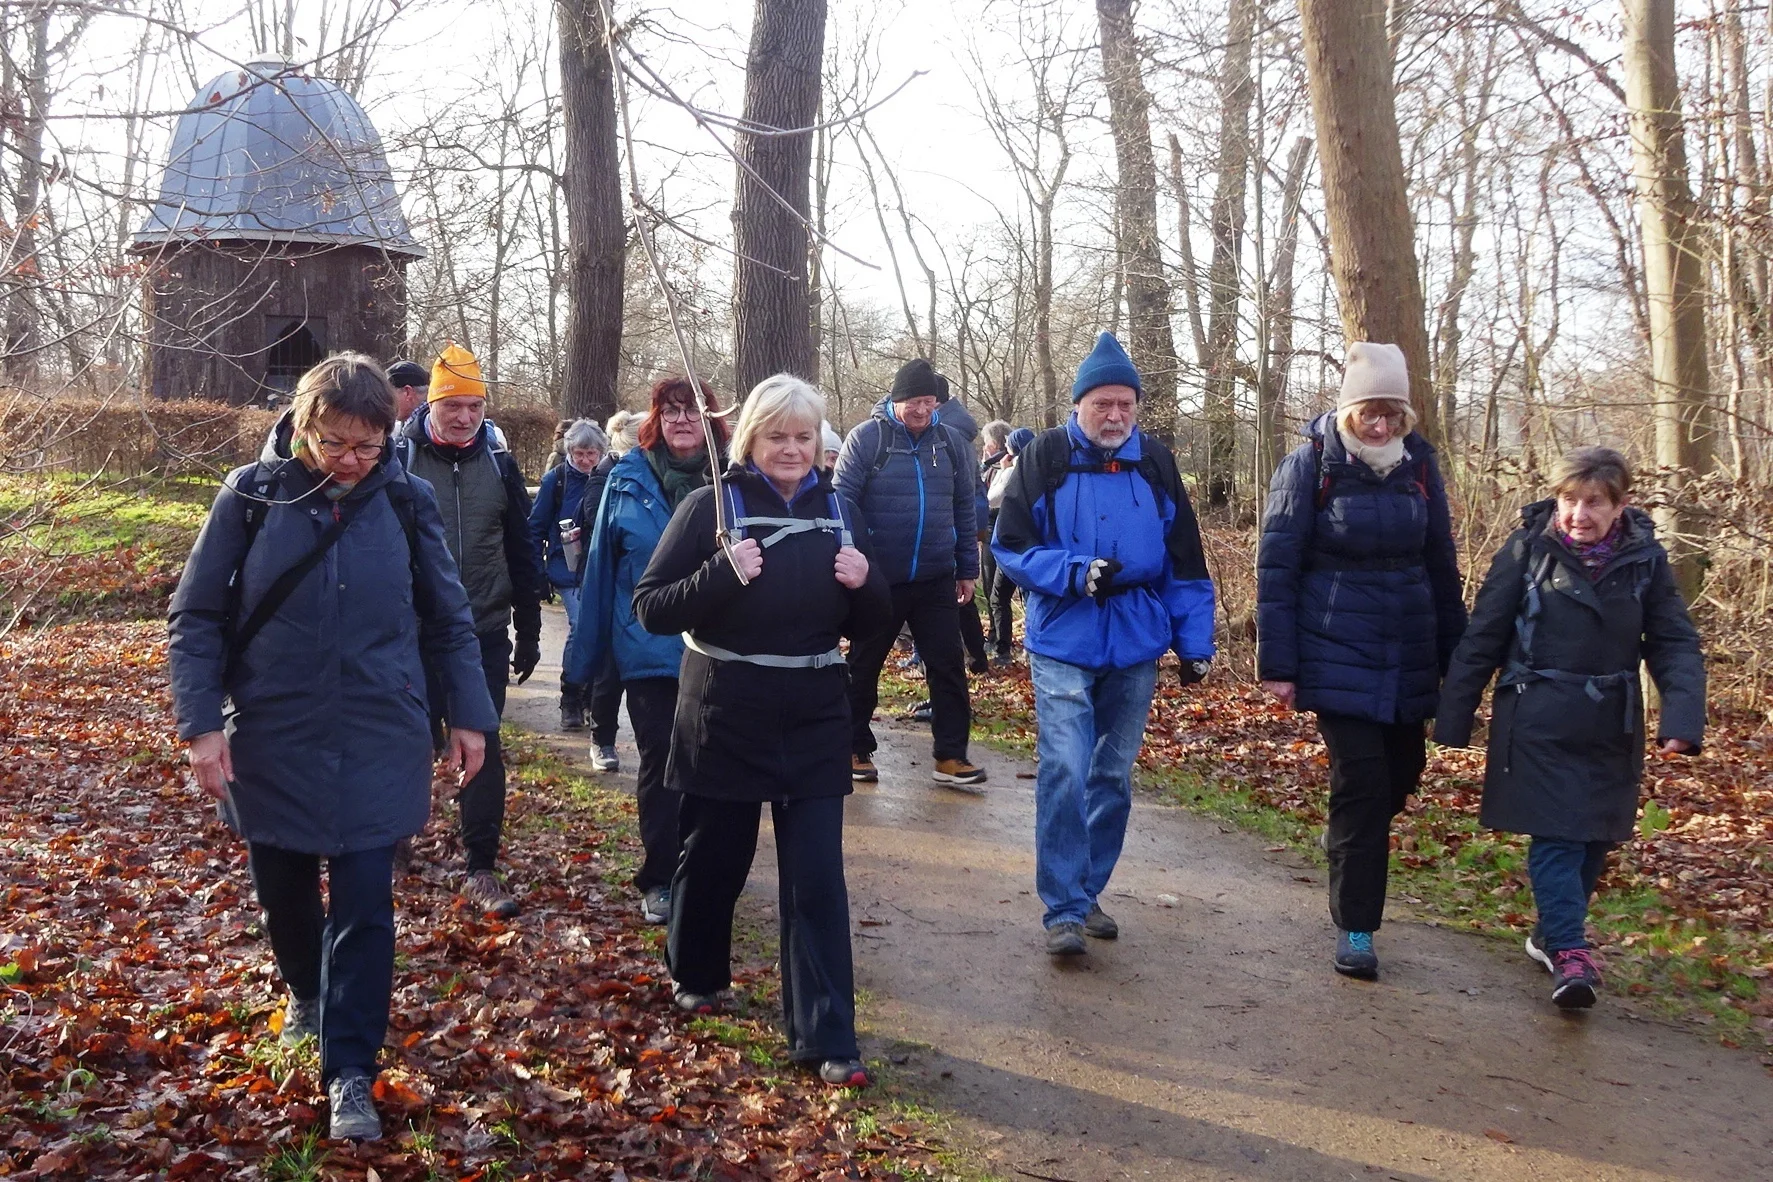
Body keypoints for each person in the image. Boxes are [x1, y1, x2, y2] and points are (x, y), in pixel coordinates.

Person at [168, 354, 498, 1142]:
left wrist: (469, 715)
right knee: (283, 888)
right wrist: (201, 726)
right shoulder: (251, 497)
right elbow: (197, 616)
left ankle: (349, 1067)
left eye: (367, 446)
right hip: (274, 732)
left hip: (382, 730)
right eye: (335, 444)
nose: (350, 461)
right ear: (303, 426)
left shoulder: (407, 501)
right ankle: (306, 994)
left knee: (364, 903)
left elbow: (449, 619)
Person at [633, 373, 890, 1087]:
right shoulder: (709, 506)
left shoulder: (841, 511)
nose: (791, 448)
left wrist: (864, 582)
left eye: (803, 436)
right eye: (777, 435)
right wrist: (721, 572)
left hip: (811, 707)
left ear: (819, 442)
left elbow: (872, 626)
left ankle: (826, 1035)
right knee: (716, 852)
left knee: (816, 875)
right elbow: (651, 607)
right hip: (725, 703)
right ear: (750, 437)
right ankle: (697, 971)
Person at [1434, 447, 1703, 1009]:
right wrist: (1455, 715)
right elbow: (1483, 635)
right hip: (1536, 715)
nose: (1580, 513)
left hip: (1612, 721)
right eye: (1570, 499)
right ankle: (1571, 951)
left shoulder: (1646, 559)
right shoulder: (1527, 550)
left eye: (1594, 502)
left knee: (1595, 838)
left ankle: (1549, 934)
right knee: (1557, 835)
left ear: (1619, 504)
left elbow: (1673, 640)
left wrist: (1681, 718)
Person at [993, 333, 1216, 957]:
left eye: (1125, 404)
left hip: (1137, 639)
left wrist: (1195, 641)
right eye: (1102, 405)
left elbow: (1185, 559)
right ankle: (1062, 908)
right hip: (1064, 634)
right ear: (1080, 405)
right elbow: (1009, 547)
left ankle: (1087, 890)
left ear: (1137, 407)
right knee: (1066, 766)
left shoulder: (1156, 462)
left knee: (1111, 774)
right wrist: (1072, 571)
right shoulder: (1046, 456)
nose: (1115, 416)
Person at [1256, 341, 1467, 979]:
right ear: (1348, 411)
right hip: (1334, 649)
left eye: (1390, 414)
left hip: (1408, 646)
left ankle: (1347, 842)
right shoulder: (1309, 466)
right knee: (1365, 783)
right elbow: (1278, 567)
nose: (1379, 425)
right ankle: (1356, 927)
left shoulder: (1420, 466)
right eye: (1368, 412)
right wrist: (1280, 665)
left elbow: (1442, 564)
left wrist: (1459, 661)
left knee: (1402, 774)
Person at [565, 376, 728, 923]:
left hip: (716, 647)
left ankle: (700, 865)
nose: (683, 420)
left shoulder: (729, 478)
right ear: (655, 418)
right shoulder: (626, 478)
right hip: (648, 645)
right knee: (661, 758)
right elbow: (601, 569)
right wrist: (583, 660)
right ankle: (659, 875)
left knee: (711, 762)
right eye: (672, 410)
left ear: (711, 418)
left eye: (694, 410)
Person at [394, 343, 546, 919]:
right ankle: (394, 844)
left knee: (482, 743)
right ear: (431, 403)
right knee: (407, 741)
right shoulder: (399, 458)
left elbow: (521, 547)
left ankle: (480, 866)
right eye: (452, 404)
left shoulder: (499, 464)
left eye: (474, 406)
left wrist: (528, 628)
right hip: (407, 633)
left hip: (481, 628)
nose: (463, 417)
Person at [834, 358, 987, 788]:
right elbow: (842, 504)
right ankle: (853, 746)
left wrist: (966, 569)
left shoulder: (952, 443)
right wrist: (852, 565)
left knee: (948, 666)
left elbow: (963, 507)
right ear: (896, 400)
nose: (922, 410)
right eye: (914, 402)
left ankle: (951, 756)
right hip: (879, 575)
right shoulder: (867, 439)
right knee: (865, 663)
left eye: (929, 401)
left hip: (937, 575)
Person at [529, 420, 608, 730]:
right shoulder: (556, 480)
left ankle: (592, 695)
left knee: (600, 630)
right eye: (579, 454)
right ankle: (571, 694)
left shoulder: (609, 477)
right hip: (567, 569)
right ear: (568, 451)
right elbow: (535, 527)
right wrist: (537, 572)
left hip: (600, 566)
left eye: (591, 453)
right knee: (581, 625)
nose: (586, 461)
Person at [983, 424, 1034, 662]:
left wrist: (1002, 470)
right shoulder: (1040, 469)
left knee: (998, 597)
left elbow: (992, 499)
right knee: (1030, 597)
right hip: (1032, 545)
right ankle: (1031, 647)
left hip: (1010, 543)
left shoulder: (1014, 471)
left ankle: (1003, 650)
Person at [386, 358, 428, 423]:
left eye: (389, 395)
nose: (386, 403)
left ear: (408, 392)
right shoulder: (431, 421)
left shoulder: (427, 428)